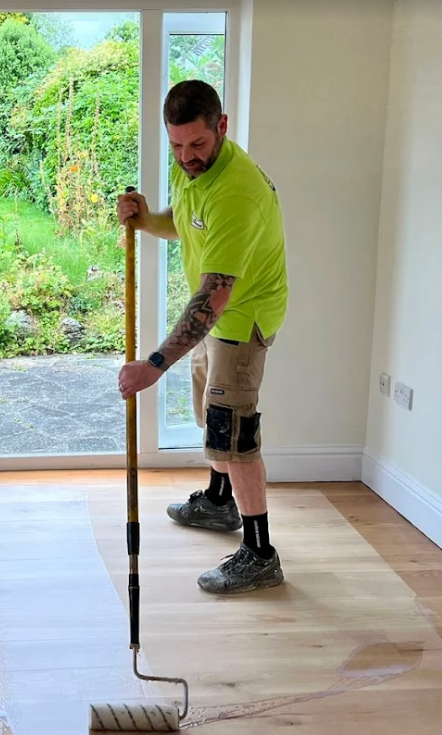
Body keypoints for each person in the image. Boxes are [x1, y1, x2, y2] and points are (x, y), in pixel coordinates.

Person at [116, 79, 289, 595]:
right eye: (176, 145)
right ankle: (219, 501)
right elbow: (189, 224)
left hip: (240, 319)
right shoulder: (193, 168)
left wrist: (153, 364)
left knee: (234, 436)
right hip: (216, 314)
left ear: (222, 127)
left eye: (197, 145)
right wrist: (147, 220)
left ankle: (260, 553)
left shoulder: (237, 193)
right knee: (209, 416)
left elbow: (215, 295)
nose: (187, 156)